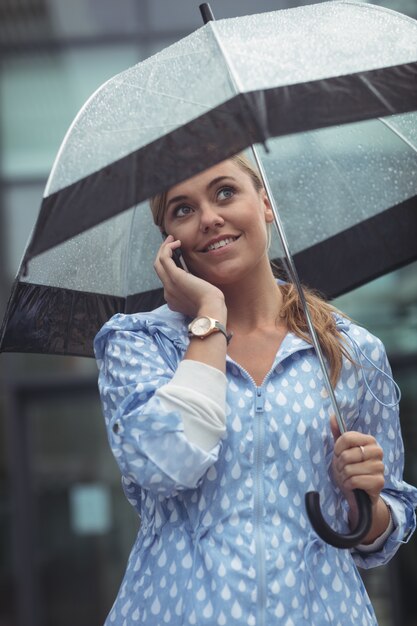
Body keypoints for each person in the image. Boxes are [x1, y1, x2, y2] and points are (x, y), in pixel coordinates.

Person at [94, 153, 417, 626]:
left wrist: (363, 500)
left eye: (225, 192)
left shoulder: (351, 351)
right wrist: (209, 314)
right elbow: (167, 464)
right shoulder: (139, 344)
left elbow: (382, 532)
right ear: (170, 242)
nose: (209, 218)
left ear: (265, 203)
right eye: (182, 209)